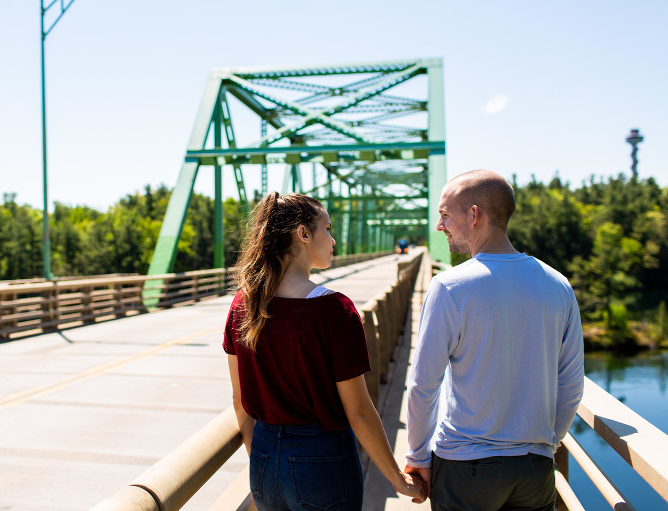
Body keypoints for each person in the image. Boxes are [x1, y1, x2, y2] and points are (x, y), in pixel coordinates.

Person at [224, 191, 426, 510]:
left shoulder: (242, 304)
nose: (333, 240)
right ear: (303, 234)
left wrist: (264, 459)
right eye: (327, 229)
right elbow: (359, 412)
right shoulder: (334, 309)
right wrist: (397, 478)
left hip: (263, 459)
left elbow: (240, 402)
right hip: (321, 460)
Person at [404, 169, 585, 510]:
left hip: (465, 466)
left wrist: (417, 456)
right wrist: (547, 445)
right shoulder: (558, 284)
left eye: (445, 215)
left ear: (474, 215)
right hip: (534, 468)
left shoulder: (450, 287)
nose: (440, 226)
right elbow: (572, 385)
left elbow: (423, 385)